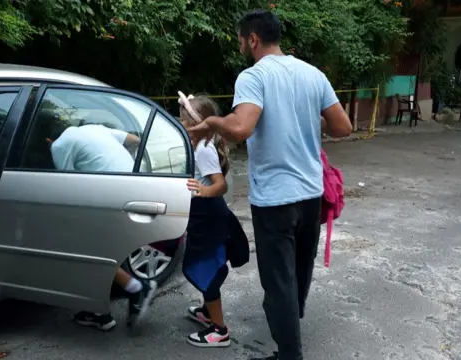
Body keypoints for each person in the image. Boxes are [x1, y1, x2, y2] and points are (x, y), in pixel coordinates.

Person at [187, 9, 352, 360]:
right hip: (311, 194)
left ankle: (289, 354)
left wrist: (213, 122)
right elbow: (343, 127)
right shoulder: (312, 74)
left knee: (278, 281)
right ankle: (291, 322)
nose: (241, 47)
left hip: (276, 199)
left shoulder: (253, 76)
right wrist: (302, 122)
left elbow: (242, 127)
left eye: (241, 41)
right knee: (299, 271)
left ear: (253, 39)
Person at [45, 115, 158, 331]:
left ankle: (135, 289)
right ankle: (101, 312)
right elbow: (134, 139)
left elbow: (65, 185)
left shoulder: (59, 145)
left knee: (85, 249)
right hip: (134, 188)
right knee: (102, 250)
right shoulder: (96, 127)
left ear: (49, 141)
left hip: (110, 194)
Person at [177, 92, 249, 348]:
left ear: (201, 124)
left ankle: (219, 330)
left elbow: (220, 186)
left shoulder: (204, 149)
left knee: (205, 268)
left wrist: (202, 191)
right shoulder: (199, 145)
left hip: (209, 215)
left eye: (185, 120)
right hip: (205, 215)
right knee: (201, 264)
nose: (182, 124)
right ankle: (208, 313)